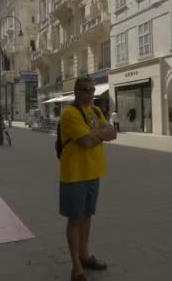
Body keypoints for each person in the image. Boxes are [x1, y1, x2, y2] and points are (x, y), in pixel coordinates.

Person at [59, 76, 117, 281]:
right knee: (75, 220)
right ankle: (76, 267)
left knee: (87, 217)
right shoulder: (70, 114)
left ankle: (84, 255)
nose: (90, 93)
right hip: (74, 174)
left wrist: (97, 135)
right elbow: (85, 142)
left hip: (94, 171)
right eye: (85, 90)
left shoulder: (96, 111)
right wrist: (100, 134)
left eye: (92, 90)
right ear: (76, 92)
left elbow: (113, 133)